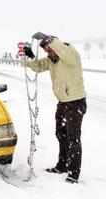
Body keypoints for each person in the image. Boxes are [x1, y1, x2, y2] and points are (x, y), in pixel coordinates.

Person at [24, 32, 87, 184]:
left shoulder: (71, 55)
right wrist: (31, 56)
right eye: (47, 51)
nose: (49, 53)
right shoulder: (52, 60)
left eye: (50, 49)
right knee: (61, 134)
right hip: (63, 102)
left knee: (73, 139)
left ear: (55, 45)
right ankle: (62, 166)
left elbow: (61, 49)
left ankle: (73, 174)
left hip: (75, 102)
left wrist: (49, 39)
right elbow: (37, 67)